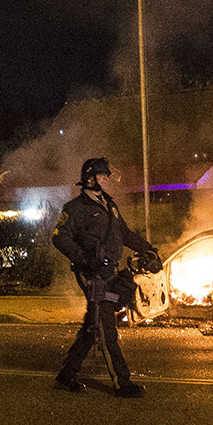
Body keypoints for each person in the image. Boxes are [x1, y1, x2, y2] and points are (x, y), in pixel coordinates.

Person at [50, 157, 159, 398]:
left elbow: (125, 234)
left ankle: (67, 375)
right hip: (93, 277)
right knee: (107, 329)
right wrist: (83, 257)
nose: (107, 179)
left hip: (111, 274)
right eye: (103, 175)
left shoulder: (109, 204)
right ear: (90, 178)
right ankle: (122, 383)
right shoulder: (75, 209)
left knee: (94, 327)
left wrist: (148, 249)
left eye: (107, 175)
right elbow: (59, 237)